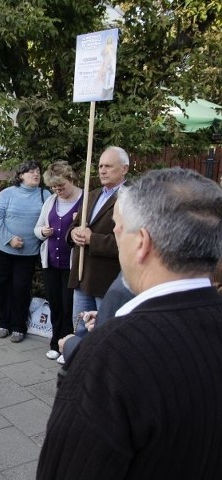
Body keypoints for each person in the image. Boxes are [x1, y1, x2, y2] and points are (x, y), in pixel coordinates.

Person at [37, 167, 222, 480]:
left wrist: (81, 351)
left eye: (118, 229)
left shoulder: (108, 355)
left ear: (143, 243)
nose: (115, 238)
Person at [0, 160, 51, 342]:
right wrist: (10, 238)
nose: (36, 174)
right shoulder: (7, 193)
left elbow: (51, 218)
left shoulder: (45, 195)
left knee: (21, 289)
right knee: (2, 287)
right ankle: (3, 323)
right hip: (3, 250)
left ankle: (18, 326)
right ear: (21, 175)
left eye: (38, 171)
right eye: (31, 171)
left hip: (28, 253)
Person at [67, 146, 129, 321]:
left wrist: (91, 239)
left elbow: (129, 241)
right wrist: (73, 234)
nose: (102, 170)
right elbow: (74, 226)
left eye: (108, 166)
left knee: (104, 334)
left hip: (107, 280)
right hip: (82, 278)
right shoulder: (92, 195)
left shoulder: (132, 197)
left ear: (124, 169)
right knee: (80, 331)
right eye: (100, 166)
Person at [34, 161, 82, 359]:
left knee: (70, 306)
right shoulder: (51, 201)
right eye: (53, 187)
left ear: (71, 179)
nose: (57, 190)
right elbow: (37, 228)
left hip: (73, 265)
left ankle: (68, 346)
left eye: (61, 186)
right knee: (55, 304)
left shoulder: (85, 199)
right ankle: (55, 343)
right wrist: (42, 232)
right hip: (51, 262)